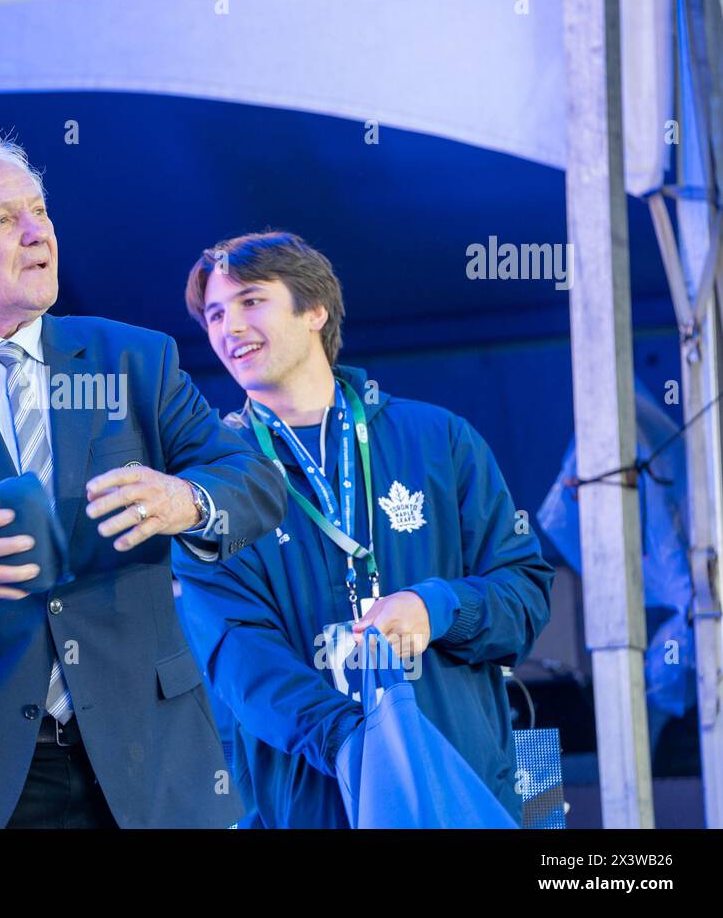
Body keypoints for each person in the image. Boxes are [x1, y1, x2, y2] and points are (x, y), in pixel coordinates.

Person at [0, 127, 285, 828]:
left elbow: (253, 478)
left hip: (142, 765)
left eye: (41, 212)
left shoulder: (134, 359)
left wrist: (186, 499)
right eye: (6, 219)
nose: (39, 234)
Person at [171, 231, 553, 827]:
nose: (228, 327)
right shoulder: (213, 483)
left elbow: (526, 593)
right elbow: (236, 653)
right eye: (215, 314)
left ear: (315, 310)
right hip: (312, 803)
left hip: (461, 794)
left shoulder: (439, 440)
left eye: (250, 301)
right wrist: (353, 745)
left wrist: (439, 608)